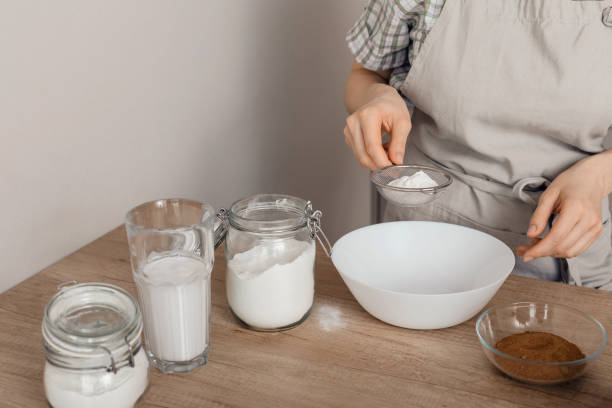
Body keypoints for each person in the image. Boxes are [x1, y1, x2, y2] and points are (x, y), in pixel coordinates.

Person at [343, 0, 612, 289]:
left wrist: (597, 176)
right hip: (423, 243)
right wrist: (376, 97)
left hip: (573, 253)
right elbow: (366, 75)